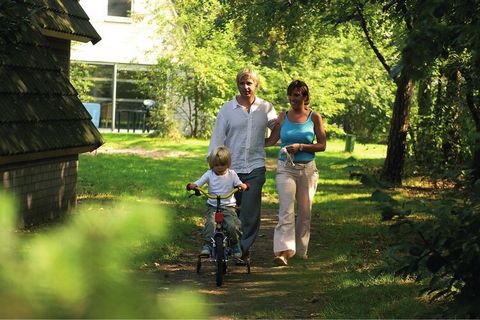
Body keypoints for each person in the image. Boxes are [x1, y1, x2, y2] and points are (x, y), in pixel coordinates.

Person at [208, 68, 277, 259]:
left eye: (250, 83)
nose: (246, 87)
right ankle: (229, 245)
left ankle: (242, 250)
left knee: (249, 212)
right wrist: (212, 162)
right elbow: (217, 138)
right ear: (237, 85)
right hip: (230, 169)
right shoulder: (227, 109)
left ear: (256, 85)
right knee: (230, 211)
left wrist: (270, 142)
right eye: (242, 83)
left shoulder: (266, 108)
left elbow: (278, 126)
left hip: (255, 167)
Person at [265, 80, 327, 266]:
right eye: (291, 95)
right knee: (286, 209)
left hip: (307, 170)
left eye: (297, 95)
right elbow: (271, 140)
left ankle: (301, 251)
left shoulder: (314, 117)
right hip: (286, 168)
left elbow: (322, 145)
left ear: (305, 97)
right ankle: (283, 252)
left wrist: (301, 146)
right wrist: (246, 140)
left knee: (305, 212)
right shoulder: (282, 117)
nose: (293, 98)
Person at [187, 146, 247, 259]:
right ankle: (207, 245)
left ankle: (235, 244)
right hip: (213, 206)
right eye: (216, 165)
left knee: (232, 226)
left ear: (228, 164)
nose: (219, 168)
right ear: (211, 165)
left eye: (222, 165)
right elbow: (200, 182)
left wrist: (241, 185)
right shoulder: (209, 174)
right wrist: (194, 185)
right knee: (210, 224)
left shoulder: (232, 174)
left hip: (228, 206)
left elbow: (238, 183)